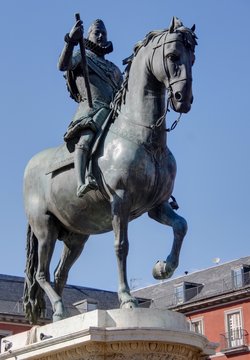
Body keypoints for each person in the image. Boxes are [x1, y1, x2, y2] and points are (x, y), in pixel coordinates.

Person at [58, 18, 123, 197]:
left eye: (104, 33)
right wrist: (71, 40)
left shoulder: (114, 69)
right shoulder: (81, 56)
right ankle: (81, 182)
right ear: (89, 35)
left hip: (114, 113)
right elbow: (63, 65)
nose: (101, 36)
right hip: (92, 110)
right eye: (97, 32)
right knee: (86, 139)